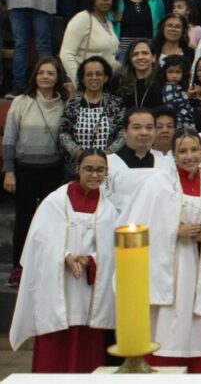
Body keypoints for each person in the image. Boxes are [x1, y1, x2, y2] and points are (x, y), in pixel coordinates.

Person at [117, 128, 201, 372]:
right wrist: (174, 231)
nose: (189, 156)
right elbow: (134, 225)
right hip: (166, 267)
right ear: (173, 155)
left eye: (194, 150)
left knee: (196, 327)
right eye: (182, 151)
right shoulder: (158, 183)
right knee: (165, 327)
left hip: (198, 264)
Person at [8, 149, 116, 373]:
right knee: (54, 350)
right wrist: (65, 256)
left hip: (88, 289)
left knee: (87, 349)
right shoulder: (55, 201)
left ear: (107, 172)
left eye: (100, 170)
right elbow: (38, 242)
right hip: (58, 286)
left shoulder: (109, 209)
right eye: (88, 169)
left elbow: (112, 251)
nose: (94, 175)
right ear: (77, 169)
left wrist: (90, 259)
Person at [2, 58, 69, 287]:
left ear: (57, 77)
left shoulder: (65, 104)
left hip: (53, 170)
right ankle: (19, 268)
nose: (45, 77)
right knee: (24, 220)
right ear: (35, 76)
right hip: (24, 170)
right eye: (41, 72)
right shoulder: (21, 102)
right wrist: (9, 170)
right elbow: (10, 139)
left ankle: (47, 266)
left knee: (50, 221)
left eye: (50, 73)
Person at [104, 107, 174, 212]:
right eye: (137, 128)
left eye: (149, 127)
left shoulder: (167, 164)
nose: (144, 132)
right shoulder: (108, 164)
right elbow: (103, 198)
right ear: (125, 132)